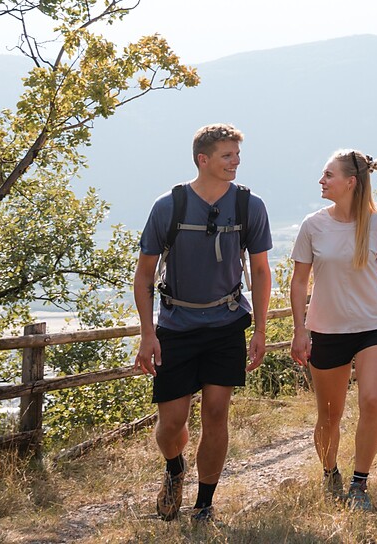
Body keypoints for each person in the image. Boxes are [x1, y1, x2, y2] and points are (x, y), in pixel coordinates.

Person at [132, 123, 273, 524]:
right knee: (171, 422)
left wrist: (260, 330)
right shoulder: (168, 206)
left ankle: (204, 505)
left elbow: (261, 272)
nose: (236, 162)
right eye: (228, 155)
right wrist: (147, 333)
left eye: (237, 155)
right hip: (175, 327)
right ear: (203, 159)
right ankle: (175, 470)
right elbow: (143, 276)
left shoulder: (250, 206)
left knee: (216, 412)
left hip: (226, 324)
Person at [289, 150, 377, 512]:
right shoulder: (313, 225)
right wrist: (300, 330)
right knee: (329, 415)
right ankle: (331, 472)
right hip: (326, 331)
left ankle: (360, 482)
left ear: (351, 183)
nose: (322, 181)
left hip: (372, 327)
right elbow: (298, 283)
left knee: (372, 401)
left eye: (328, 175)